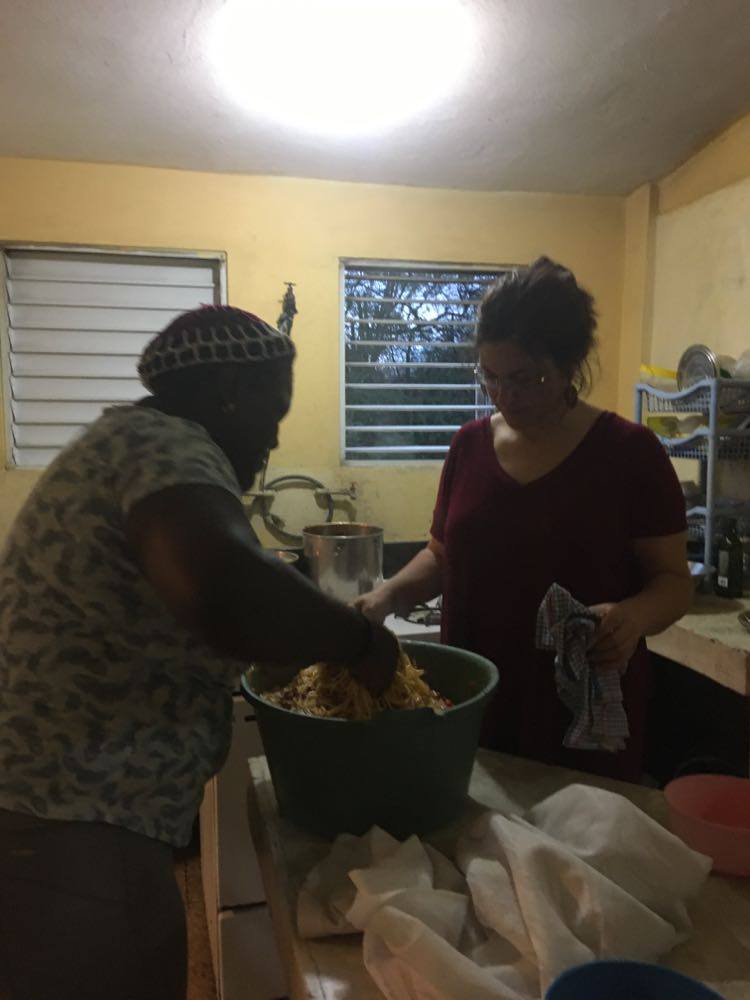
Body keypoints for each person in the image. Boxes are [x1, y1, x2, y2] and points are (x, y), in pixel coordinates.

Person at [0, 305, 398, 1000]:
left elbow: (200, 611)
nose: (274, 436)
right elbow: (224, 589)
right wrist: (359, 640)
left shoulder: (125, 439)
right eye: (274, 411)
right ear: (229, 391)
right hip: (70, 812)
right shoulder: (166, 444)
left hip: (50, 806)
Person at [357, 257, 693, 783]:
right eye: (490, 376)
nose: (504, 395)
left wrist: (633, 618)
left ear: (570, 364)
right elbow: (442, 556)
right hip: (474, 704)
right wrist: (386, 596)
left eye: (525, 378)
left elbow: (673, 583)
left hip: (577, 721)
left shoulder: (630, 453)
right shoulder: (468, 447)